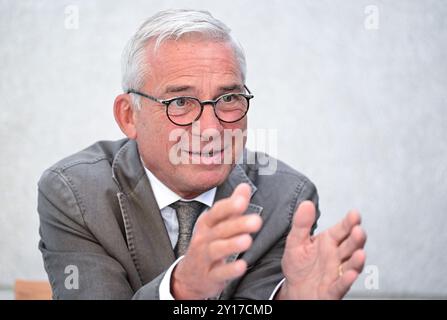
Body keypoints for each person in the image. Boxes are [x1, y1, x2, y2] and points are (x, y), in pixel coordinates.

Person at [37, 9, 366, 300]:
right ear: (128, 116)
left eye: (228, 99)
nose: (210, 128)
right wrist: (180, 290)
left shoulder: (289, 202)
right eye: (180, 102)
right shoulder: (74, 194)